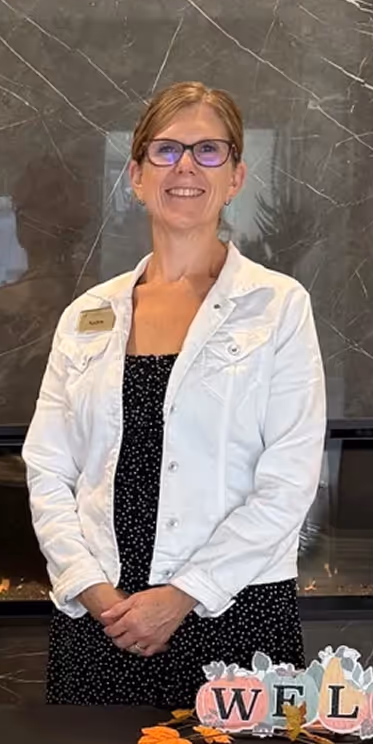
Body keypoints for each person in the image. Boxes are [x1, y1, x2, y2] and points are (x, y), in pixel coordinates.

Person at [23, 80, 327, 708]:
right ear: (136, 176)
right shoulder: (88, 314)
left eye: (208, 151)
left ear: (237, 175)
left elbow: (290, 481)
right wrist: (90, 587)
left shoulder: (278, 306)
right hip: (102, 618)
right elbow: (47, 468)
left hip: (234, 614)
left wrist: (184, 593)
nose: (185, 166)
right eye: (165, 151)